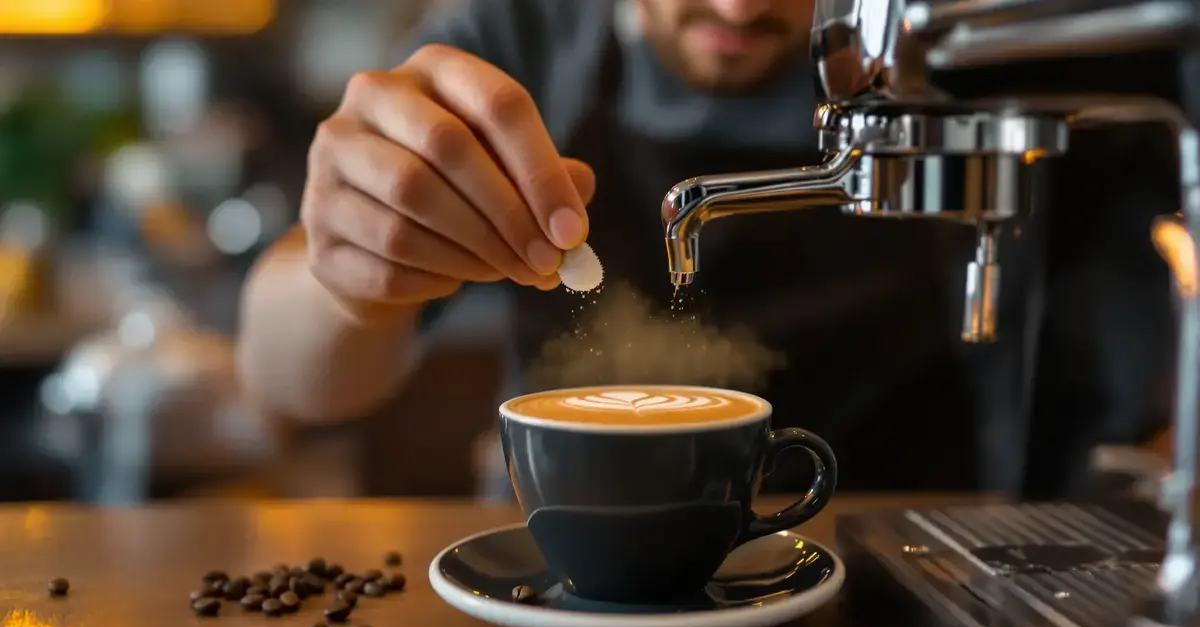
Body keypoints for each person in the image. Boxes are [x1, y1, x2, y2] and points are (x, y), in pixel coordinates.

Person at [237, 0, 1178, 497]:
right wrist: (352, 279)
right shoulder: (518, 37)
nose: (740, 5)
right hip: (577, 586)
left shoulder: (963, 43)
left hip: (897, 572)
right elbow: (283, 377)